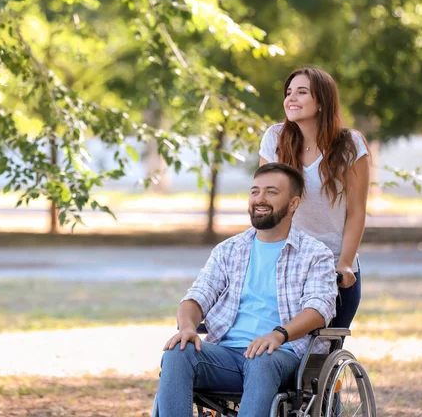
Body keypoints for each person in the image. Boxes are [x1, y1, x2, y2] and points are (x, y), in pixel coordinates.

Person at [152, 163, 337, 417]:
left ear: (293, 204)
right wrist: (187, 328)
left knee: (261, 359)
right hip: (225, 356)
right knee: (177, 352)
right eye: (255, 191)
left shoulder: (315, 254)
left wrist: (278, 335)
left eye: (271, 192)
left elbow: (318, 309)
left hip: (280, 356)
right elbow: (195, 298)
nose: (260, 199)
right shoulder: (229, 250)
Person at [259, 66, 370, 330]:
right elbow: (264, 206)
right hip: (283, 267)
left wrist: (344, 264)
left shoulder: (350, 145)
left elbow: (356, 212)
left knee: (318, 361)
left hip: (331, 269)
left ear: (321, 102)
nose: (291, 99)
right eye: (288, 92)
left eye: (301, 92)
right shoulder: (275, 138)